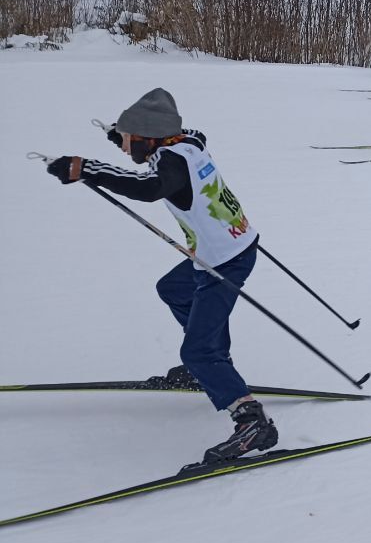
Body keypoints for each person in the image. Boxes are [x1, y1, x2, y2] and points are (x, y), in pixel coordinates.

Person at [43, 89, 277, 465]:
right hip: (230, 245)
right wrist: (122, 134)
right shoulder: (189, 141)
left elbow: (151, 187)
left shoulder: (170, 166)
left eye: (129, 142)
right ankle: (213, 361)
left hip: (224, 262)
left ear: (150, 139)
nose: (125, 150)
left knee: (196, 350)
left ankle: (252, 422)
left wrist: (87, 169)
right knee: (172, 289)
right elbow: (161, 155)